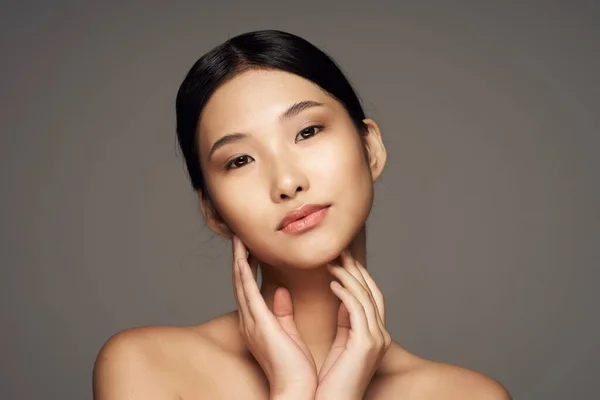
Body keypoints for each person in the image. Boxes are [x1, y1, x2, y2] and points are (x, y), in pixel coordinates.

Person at [93, 30, 511, 399]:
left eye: (307, 132)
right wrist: (295, 390)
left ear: (371, 148)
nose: (287, 182)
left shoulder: (468, 395)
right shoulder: (147, 367)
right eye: (240, 160)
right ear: (213, 211)